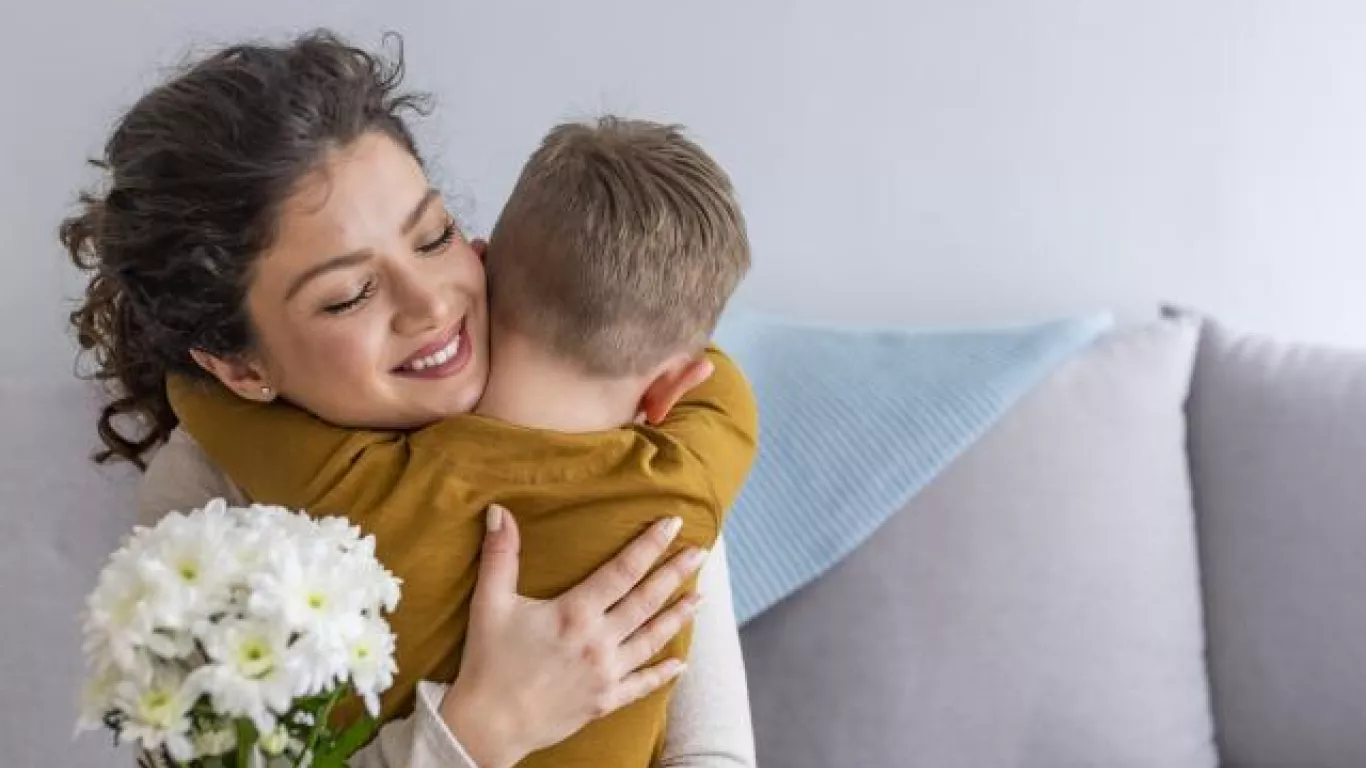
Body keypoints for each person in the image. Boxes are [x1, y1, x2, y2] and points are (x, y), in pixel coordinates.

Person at [63, 30, 755, 767]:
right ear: (239, 370)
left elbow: (712, 750)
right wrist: (478, 729)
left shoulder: (604, 390)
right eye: (349, 294)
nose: (432, 304)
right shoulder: (206, 504)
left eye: (433, 237)